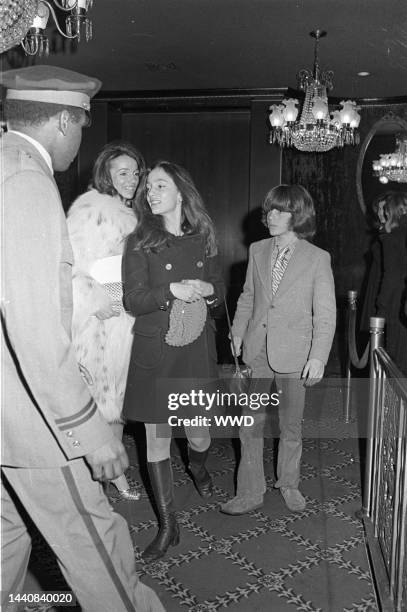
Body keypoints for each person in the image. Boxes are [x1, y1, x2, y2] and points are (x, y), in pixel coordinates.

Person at [1, 65, 164, 612]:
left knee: (5, 551)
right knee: (98, 552)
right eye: (82, 124)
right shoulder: (24, 177)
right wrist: (87, 430)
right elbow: (36, 323)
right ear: (67, 121)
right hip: (33, 419)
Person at [122, 161, 224, 562]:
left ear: (181, 191)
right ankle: (169, 526)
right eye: (149, 187)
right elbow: (133, 299)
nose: (150, 192)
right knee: (157, 441)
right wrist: (171, 290)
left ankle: (198, 465)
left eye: (160, 185)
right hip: (156, 352)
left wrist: (209, 290)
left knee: (199, 434)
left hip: (194, 349)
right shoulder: (139, 240)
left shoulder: (204, 237)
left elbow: (219, 299)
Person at [220, 184, 336, 515]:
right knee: (250, 424)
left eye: (280, 211)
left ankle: (289, 483)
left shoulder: (317, 258)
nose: (271, 216)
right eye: (269, 210)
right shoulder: (257, 249)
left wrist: (318, 355)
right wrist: (238, 331)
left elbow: (325, 313)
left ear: (297, 216)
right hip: (258, 351)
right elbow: (247, 297)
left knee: (290, 426)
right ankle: (249, 491)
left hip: (295, 356)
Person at [67, 141, 146, 500]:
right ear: (106, 175)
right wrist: (94, 299)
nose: (131, 179)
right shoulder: (91, 211)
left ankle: (113, 476)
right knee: (100, 403)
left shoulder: (133, 213)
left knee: (116, 404)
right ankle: (98, 482)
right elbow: (70, 270)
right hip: (98, 323)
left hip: (125, 320)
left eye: (135, 172)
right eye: (122, 173)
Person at [376, 191, 407, 375]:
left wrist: (381, 304)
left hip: (397, 302)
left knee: (396, 360)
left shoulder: (392, 237)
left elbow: (391, 275)